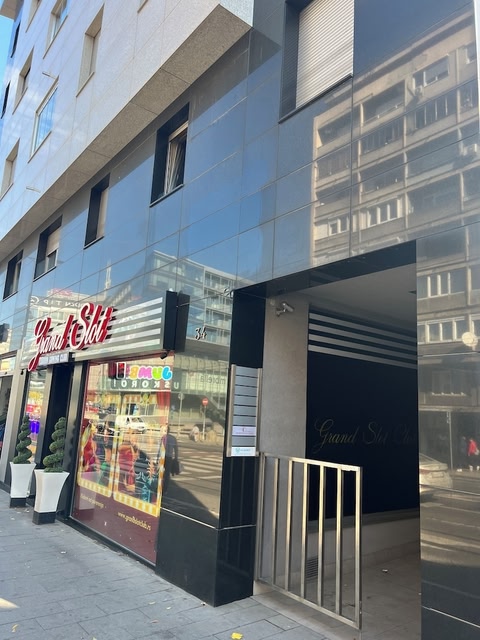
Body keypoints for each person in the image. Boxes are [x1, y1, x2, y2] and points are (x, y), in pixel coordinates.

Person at [160, 426, 178, 494]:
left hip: (163, 457)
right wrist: (176, 458)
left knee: (160, 473)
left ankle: (159, 487)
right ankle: (165, 489)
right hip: (169, 458)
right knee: (167, 474)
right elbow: (176, 449)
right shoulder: (173, 438)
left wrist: (158, 458)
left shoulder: (163, 437)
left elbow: (160, 448)